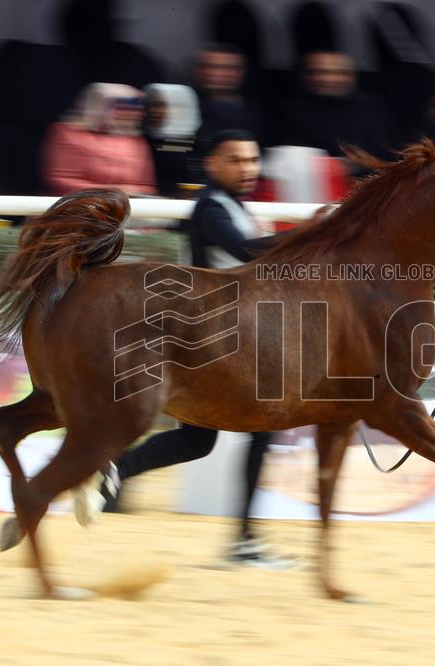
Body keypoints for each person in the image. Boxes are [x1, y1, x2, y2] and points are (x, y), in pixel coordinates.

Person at [99, 129, 295, 569]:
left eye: (252, 160)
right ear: (212, 164)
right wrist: (309, 234)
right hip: (218, 341)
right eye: (236, 160)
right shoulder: (210, 207)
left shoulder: (233, 205)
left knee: (197, 440)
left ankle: (117, 468)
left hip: (223, 339)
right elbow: (245, 251)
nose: (247, 168)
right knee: (259, 432)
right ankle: (243, 542)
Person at [42, 82, 156, 196]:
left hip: (125, 205)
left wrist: (129, 193)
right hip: (77, 204)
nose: (131, 112)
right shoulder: (67, 133)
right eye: (122, 105)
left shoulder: (135, 142)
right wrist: (114, 191)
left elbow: (146, 187)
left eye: (134, 105)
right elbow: (60, 181)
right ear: (100, 105)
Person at [279, 50, 390, 162]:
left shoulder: (374, 106)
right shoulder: (289, 111)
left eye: (342, 72)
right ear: (305, 75)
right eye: (320, 72)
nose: (330, 79)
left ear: (353, 75)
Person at [143, 83, 201, 198]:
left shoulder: (195, 144)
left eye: (160, 105)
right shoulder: (143, 140)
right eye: (149, 105)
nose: (153, 110)